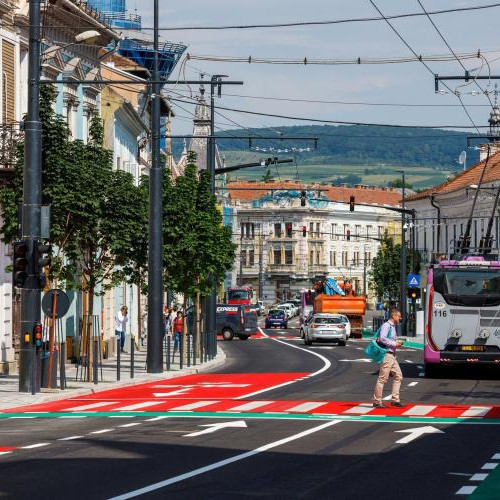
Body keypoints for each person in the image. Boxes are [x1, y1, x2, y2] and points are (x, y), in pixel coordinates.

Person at [373, 308, 405, 408]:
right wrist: (395, 343)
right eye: (399, 316)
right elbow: (382, 338)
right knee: (383, 378)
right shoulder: (386, 325)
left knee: (398, 376)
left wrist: (396, 342)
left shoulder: (392, 326)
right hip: (387, 355)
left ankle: (395, 399)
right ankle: (377, 401)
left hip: (392, 355)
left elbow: (388, 338)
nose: (400, 318)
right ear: (394, 316)